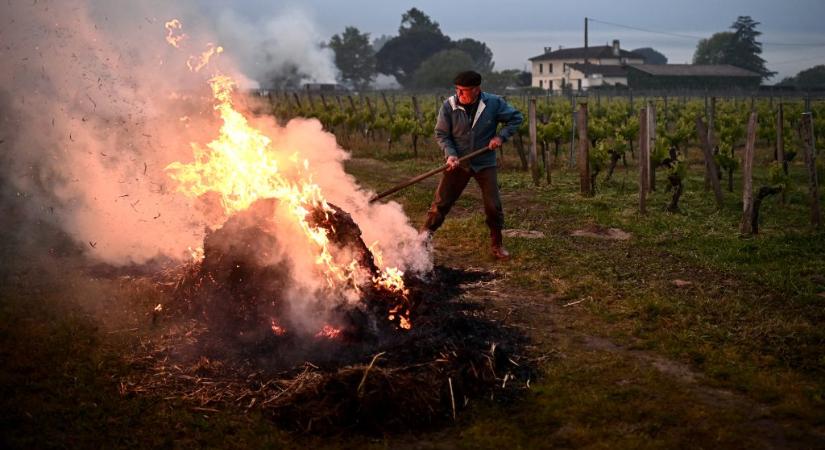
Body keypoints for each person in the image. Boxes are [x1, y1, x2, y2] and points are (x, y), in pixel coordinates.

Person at [421, 70, 523, 260]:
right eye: (457, 89)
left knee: (493, 205)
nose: (459, 94)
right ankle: (422, 240)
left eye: (464, 90)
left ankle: (497, 244)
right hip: (458, 163)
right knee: (441, 203)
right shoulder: (449, 106)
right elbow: (442, 134)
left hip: (485, 162)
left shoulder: (493, 103)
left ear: (476, 89)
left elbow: (516, 118)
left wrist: (500, 137)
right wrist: (451, 155)